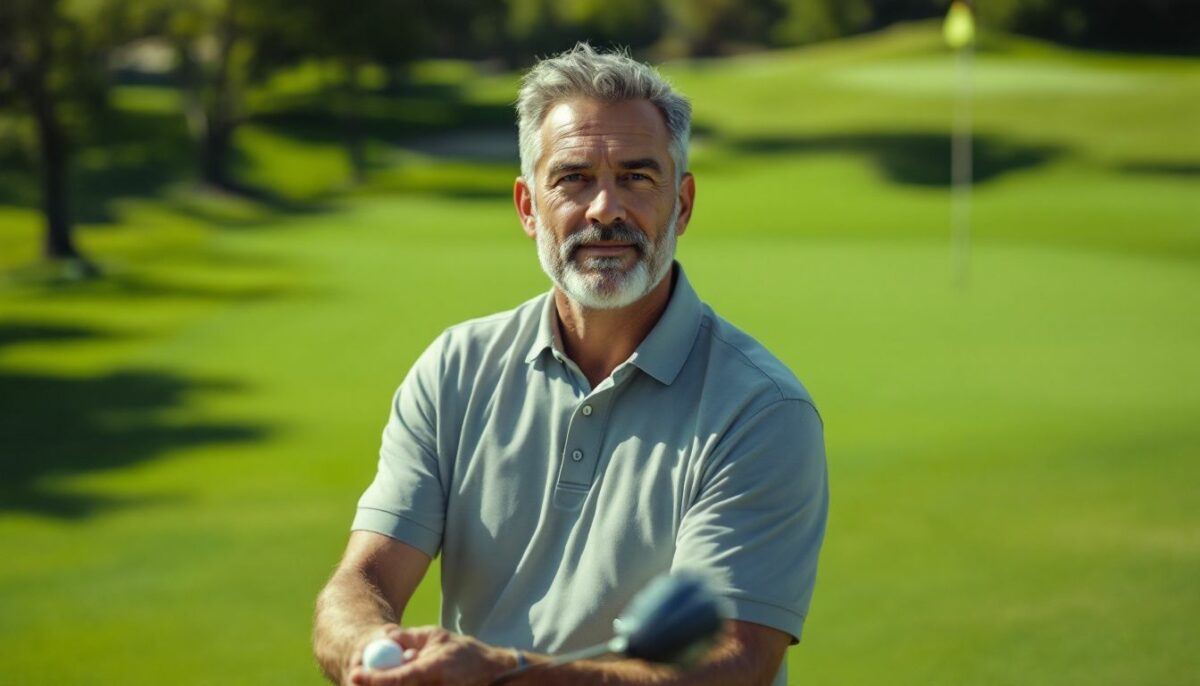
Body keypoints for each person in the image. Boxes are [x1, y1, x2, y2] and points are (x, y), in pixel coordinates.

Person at [312, 43, 828, 686]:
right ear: (529, 207)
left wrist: (504, 673)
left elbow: (733, 663)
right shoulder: (454, 368)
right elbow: (362, 580)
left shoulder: (761, 410)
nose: (604, 209)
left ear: (684, 204)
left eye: (638, 177)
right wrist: (369, 650)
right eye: (573, 178)